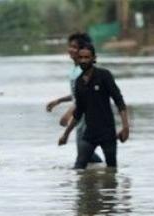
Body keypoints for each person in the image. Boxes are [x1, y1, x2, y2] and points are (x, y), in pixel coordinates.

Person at [58, 43, 130, 169]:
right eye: (81, 58)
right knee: (78, 168)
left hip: (107, 133)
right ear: (78, 59)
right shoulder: (79, 82)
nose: (84, 60)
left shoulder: (104, 75)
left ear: (94, 58)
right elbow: (78, 112)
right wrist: (66, 134)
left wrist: (125, 127)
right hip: (89, 135)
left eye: (87, 57)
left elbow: (119, 102)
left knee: (112, 169)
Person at [46, 32, 102, 164]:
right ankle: (103, 171)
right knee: (84, 151)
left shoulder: (83, 72)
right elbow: (76, 94)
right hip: (80, 117)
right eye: (70, 46)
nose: (70, 50)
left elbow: (84, 97)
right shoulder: (75, 70)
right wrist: (59, 101)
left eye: (74, 47)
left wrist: (68, 113)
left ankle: (102, 172)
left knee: (83, 151)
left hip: (87, 117)